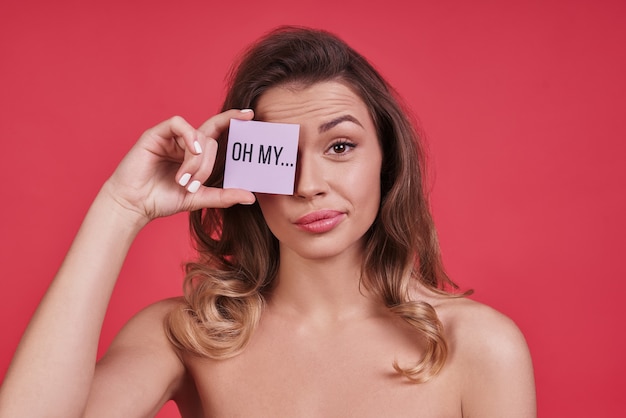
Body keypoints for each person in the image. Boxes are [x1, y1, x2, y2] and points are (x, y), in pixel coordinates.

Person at [0, 26, 536, 417]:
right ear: (247, 172)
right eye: (284, 157)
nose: (309, 185)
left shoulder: (480, 346)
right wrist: (121, 207)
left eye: (341, 146)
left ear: (387, 160)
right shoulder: (189, 335)